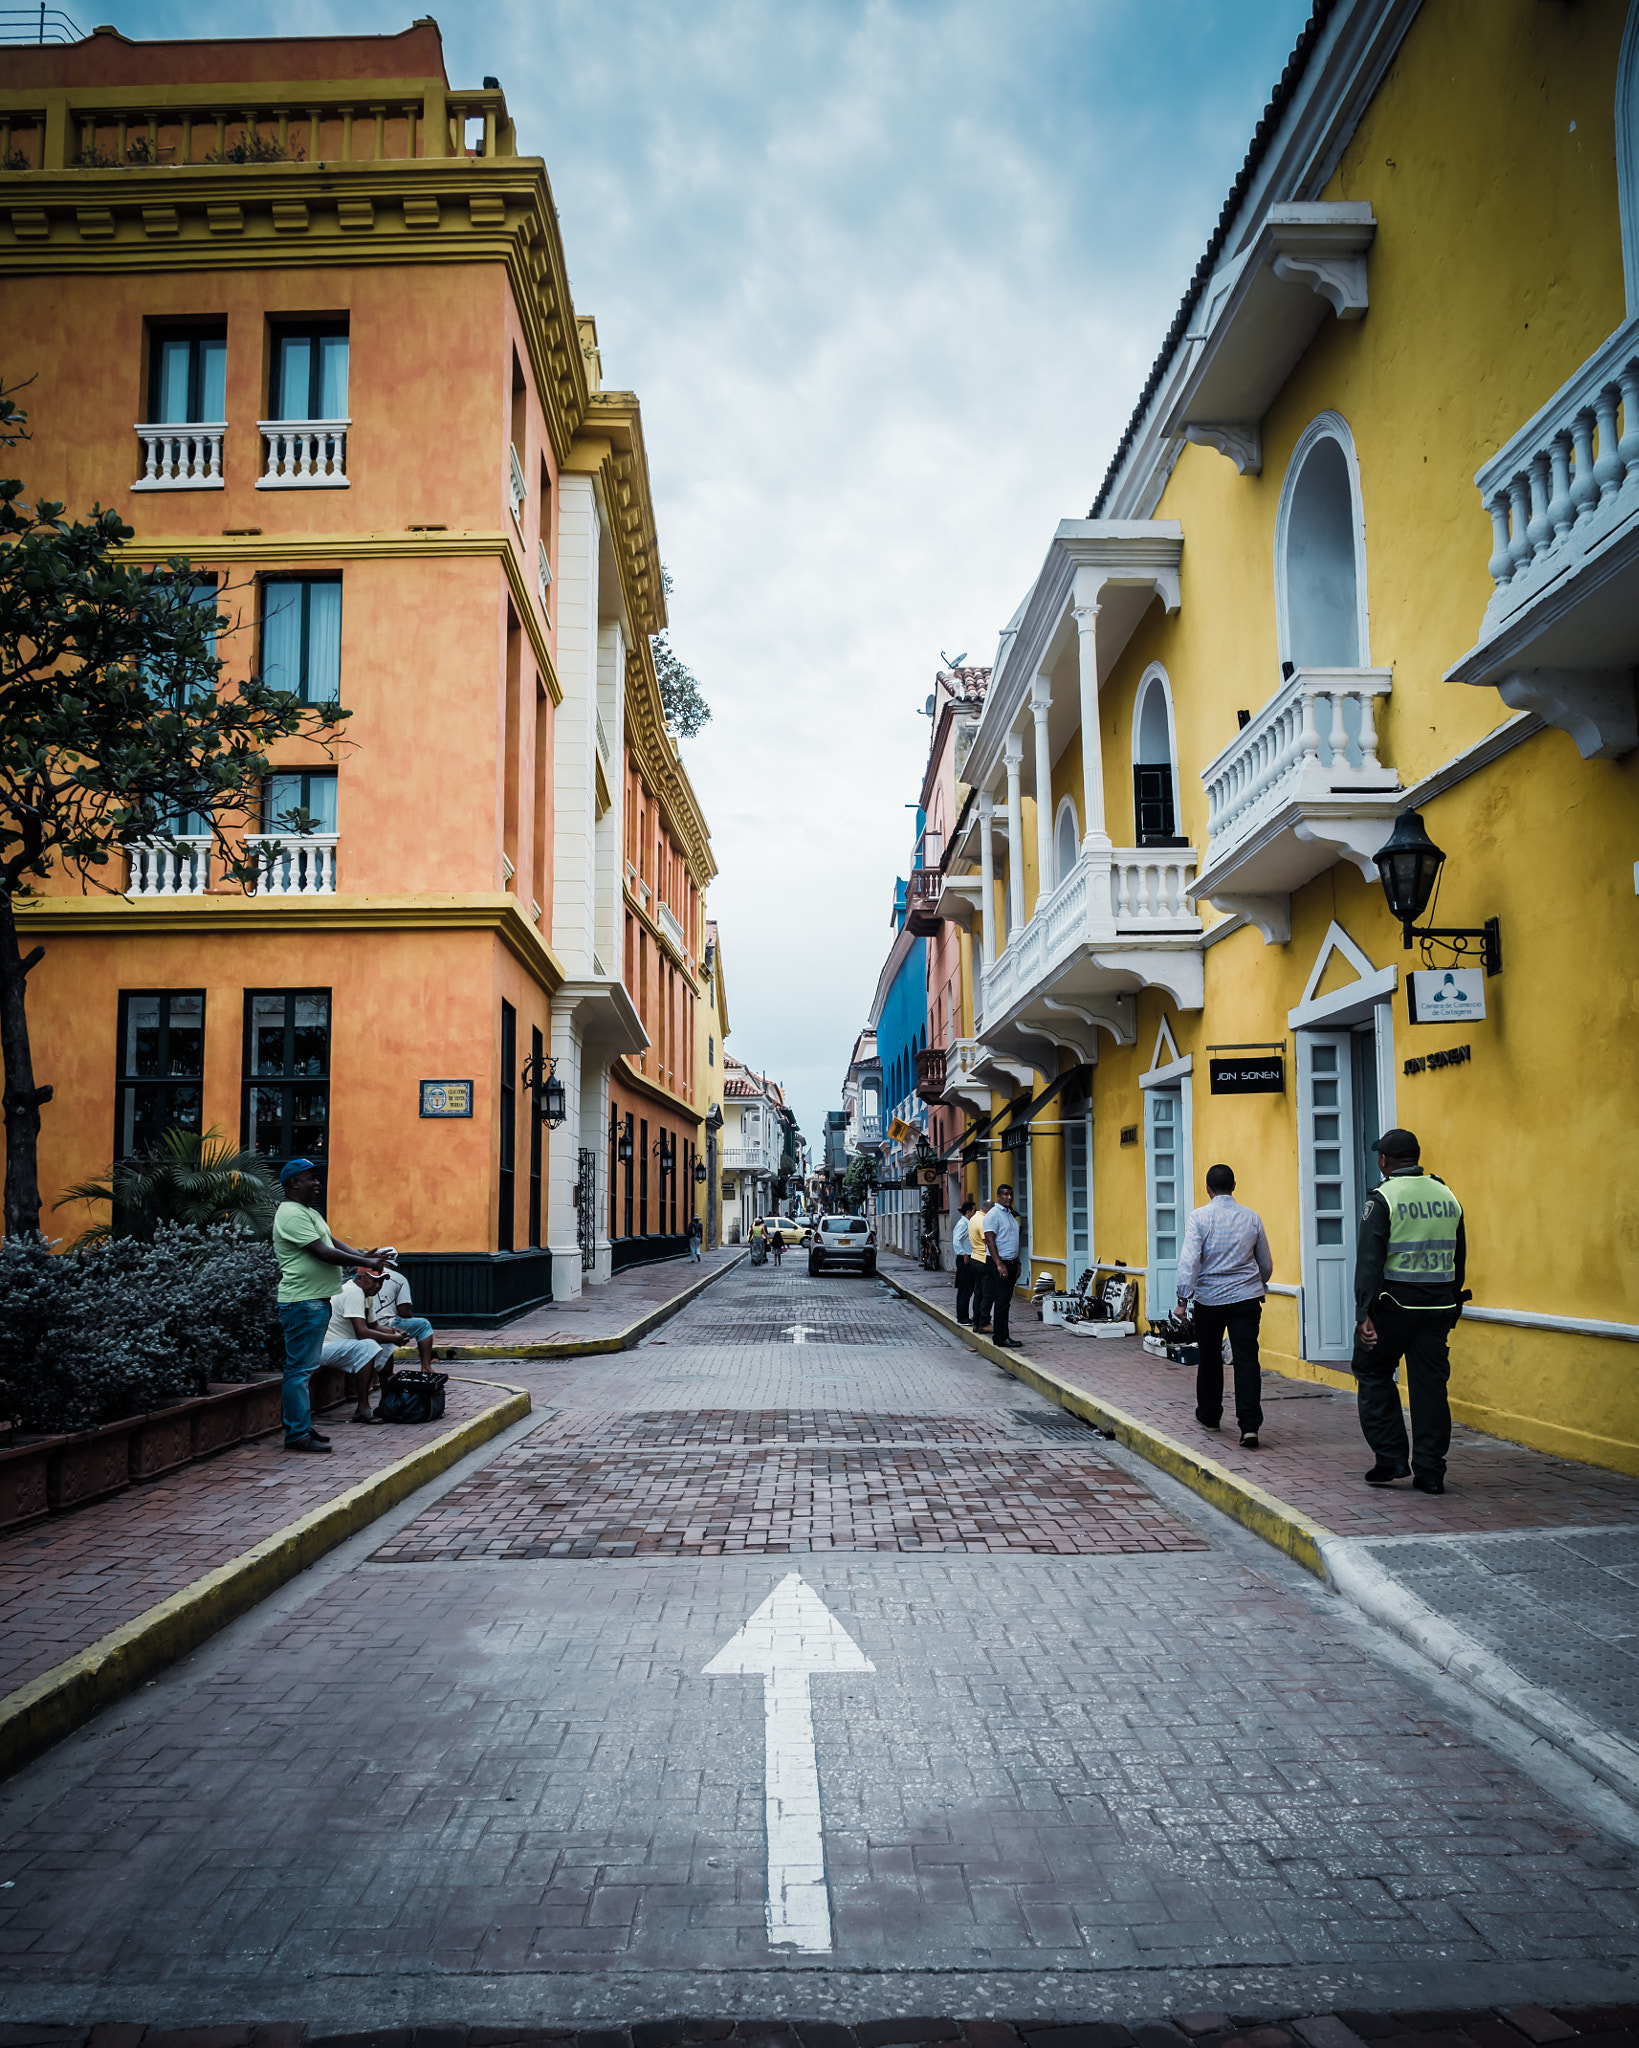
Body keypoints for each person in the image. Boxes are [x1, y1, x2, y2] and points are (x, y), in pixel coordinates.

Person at [1353, 1127, 1466, 1495]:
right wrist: (1453, 1305)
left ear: (1384, 1160)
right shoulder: (1447, 1194)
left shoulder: (1384, 1198)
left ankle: (1391, 1458)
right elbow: (1458, 1255)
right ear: (1415, 1157)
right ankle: (1431, 1473)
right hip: (1438, 1307)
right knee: (1430, 1387)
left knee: (1371, 1370)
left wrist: (1363, 1313)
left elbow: (1370, 1261)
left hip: (1394, 1307)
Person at [271, 1159, 385, 1453]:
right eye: (311, 1178)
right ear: (294, 1183)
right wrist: (365, 1262)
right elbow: (323, 1253)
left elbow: (332, 1242)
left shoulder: (308, 1213)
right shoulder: (291, 1214)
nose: (317, 1183)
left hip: (314, 1301)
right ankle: (297, 1435)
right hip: (302, 1302)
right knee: (299, 1370)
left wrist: (362, 1254)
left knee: (304, 1369)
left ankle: (302, 1427)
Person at [1175, 1163, 1274, 1449]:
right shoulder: (1251, 1217)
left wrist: (1183, 1299)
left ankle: (1209, 1416)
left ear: (1208, 1188)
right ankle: (1250, 1425)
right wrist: (1259, 1284)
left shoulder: (1199, 1217)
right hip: (1246, 1298)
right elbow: (1265, 1263)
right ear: (1234, 1186)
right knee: (1247, 1360)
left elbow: (1189, 1261)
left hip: (1209, 1300)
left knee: (1209, 1358)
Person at [323, 1268, 403, 1422]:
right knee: (368, 1345)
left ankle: (387, 1402)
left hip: (345, 1344)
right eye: (374, 1280)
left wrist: (394, 1333)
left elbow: (374, 1326)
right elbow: (362, 1332)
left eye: (381, 1281)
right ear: (359, 1278)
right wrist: (393, 1337)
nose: (378, 1285)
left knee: (385, 1344)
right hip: (327, 1347)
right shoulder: (354, 1292)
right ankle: (362, 1408)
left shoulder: (367, 1294)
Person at [974, 1183, 1024, 1348]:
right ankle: (1001, 1338)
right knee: (1001, 1301)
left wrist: (1016, 1262)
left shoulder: (1009, 1214)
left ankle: (1003, 1335)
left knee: (1006, 1301)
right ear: (998, 1197)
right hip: (998, 1263)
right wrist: (999, 1265)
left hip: (1010, 1262)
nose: (1008, 1197)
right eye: (1005, 1194)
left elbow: (1011, 1239)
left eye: (1010, 1194)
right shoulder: (994, 1214)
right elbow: (990, 1240)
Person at [370, 1249, 436, 1372]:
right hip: (386, 1323)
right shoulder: (399, 1279)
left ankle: (377, 1377)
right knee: (424, 1325)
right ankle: (426, 1367)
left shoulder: (363, 1276)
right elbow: (404, 1312)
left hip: (366, 1323)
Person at [952, 1197, 979, 1324]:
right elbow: (956, 1240)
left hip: (967, 1257)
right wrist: (964, 1254)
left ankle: (963, 1315)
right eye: (974, 1210)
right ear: (968, 1212)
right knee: (965, 1289)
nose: (975, 1212)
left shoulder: (967, 1223)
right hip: (965, 1259)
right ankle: (963, 1317)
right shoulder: (963, 1224)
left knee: (966, 1289)